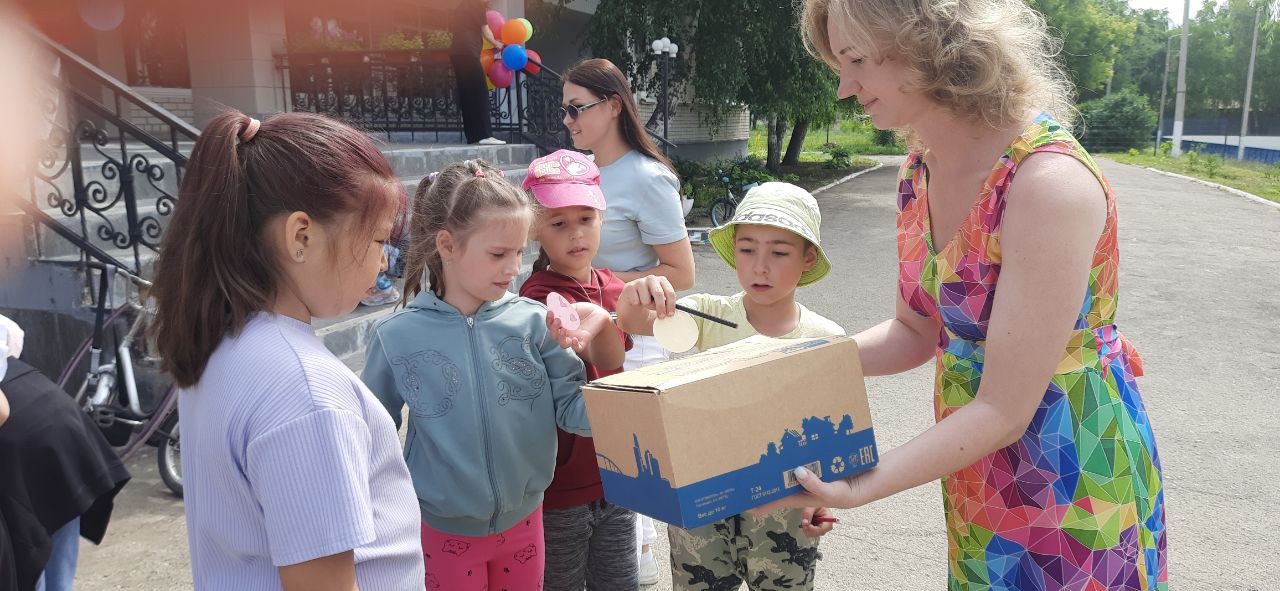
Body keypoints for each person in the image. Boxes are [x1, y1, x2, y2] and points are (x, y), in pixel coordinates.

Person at [754, 1, 1169, 590]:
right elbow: (915, 333)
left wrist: (860, 487)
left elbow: (1005, 407)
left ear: (931, 44)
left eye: (856, 61)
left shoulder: (1046, 183)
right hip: (978, 465)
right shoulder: (919, 167)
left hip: (1074, 470)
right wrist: (796, 364)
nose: (845, 88)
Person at [150, 111, 424, 590]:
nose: (384, 260)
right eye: (379, 239)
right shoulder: (305, 391)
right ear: (301, 237)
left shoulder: (227, 343)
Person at [362, 159, 626, 591]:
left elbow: (573, 409)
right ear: (446, 245)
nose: (513, 267)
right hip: (442, 530)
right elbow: (371, 436)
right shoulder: (396, 336)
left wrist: (635, 401)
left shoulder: (535, 323)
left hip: (526, 521)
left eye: (520, 252)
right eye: (498, 253)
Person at [617, 183, 841, 591]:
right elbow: (632, 322)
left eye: (779, 252)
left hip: (785, 506)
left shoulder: (826, 335)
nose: (760, 266)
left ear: (808, 258)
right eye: (747, 249)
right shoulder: (704, 314)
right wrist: (636, 292)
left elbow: (833, 431)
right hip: (701, 500)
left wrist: (824, 497)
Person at [561, 57, 695, 583]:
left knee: (630, 470)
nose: (568, 120)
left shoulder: (647, 177)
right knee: (590, 462)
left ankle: (630, 573)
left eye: (577, 108)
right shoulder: (579, 172)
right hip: (581, 335)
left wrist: (608, 287)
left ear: (614, 105)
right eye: (564, 110)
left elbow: (681, 272)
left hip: (634, 339)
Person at [517, 149, 639, 590]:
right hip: (561, 488)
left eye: (585, 218)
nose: (575, 233)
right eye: (559, 222)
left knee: (620, 583)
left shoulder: (615, 289)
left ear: (603, 217)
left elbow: (615, 363)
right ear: (535, 230)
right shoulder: (534, 300)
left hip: (618, 476)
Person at [0, 315, 132, 591]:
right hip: (57, 420)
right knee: (55, 536)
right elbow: (14, 338)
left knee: (27, 553)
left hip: (21, 434)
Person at [449, 0, 506, 145]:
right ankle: (485, 135)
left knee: (467, 94)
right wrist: (496, 43)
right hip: (468, 52)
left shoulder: (460, 6)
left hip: (457, 52)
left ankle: (473, 136)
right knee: (480, 92)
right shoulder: (477, 4)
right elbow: (485, 30)